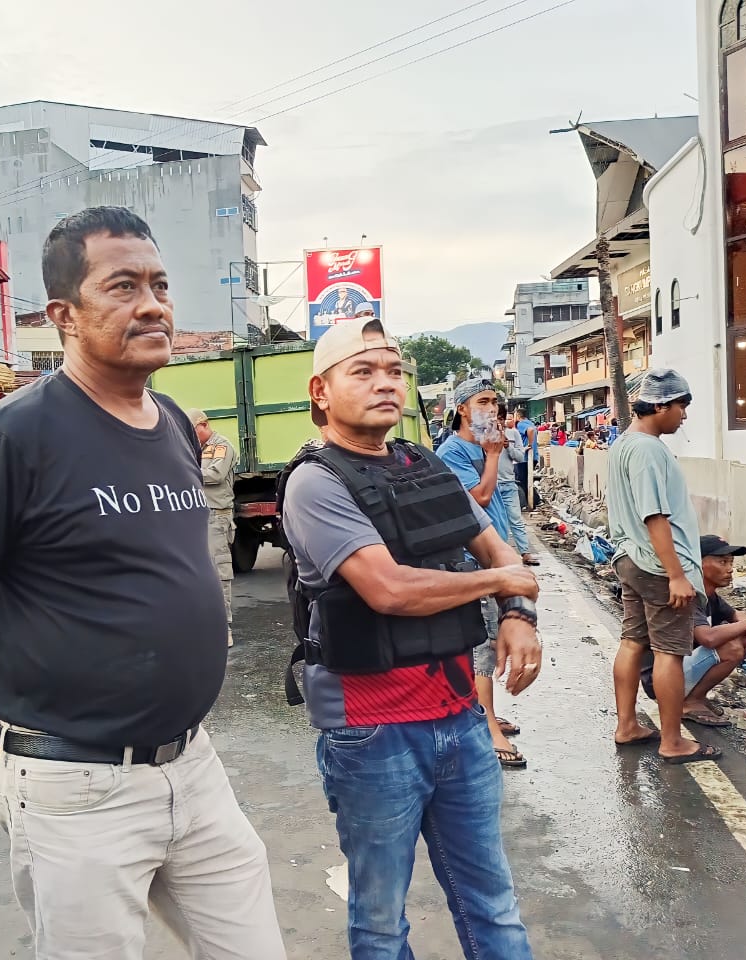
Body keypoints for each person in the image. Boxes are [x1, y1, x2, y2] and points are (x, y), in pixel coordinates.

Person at [0, 206, 285, 960]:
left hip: (193, 768)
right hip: (80, 792)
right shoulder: (9, 439)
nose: (153, 304)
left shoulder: (167, 420)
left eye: (161, 284)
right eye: (123, 286)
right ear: (64, 315)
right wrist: (37, 681)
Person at [280, 317, 540, 959]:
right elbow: (388, 589)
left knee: (493, 905)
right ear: (321, 391)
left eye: (394, 371)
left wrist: (515, 612)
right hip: (373, 734)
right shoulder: (316, 482)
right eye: (362, 372)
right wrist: (502, 582)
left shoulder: (421, 463)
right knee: (379, 919)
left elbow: (491, 542)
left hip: (460, 719)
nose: (384, 384)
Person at [606, 368, 721, 765]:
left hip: (630, 558)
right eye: (680, 407)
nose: (683, 416)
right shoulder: (648, 450)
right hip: (657, 565)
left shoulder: (623, 444)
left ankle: (627, 725)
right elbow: (654, 515)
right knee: (669, 652)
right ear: (659, 405)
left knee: (633, 641)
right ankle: (672, 741)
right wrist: (676, 574)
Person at [434, 380, 525, 768]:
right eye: (482, 401)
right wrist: (491, 457)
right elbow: (479, 500)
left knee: (492, 639)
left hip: (495, 559)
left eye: (494, 401)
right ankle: (487, 726)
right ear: (462, 410)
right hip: (471, 565)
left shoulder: (489, 444)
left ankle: (483, 711)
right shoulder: (452, 451)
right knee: (483, 645)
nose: (492, 408)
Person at [639, 535, 746, 725]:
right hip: (661, 680)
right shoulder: (689, 595)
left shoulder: (710, 596)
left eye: (730, 562)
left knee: (742, 638)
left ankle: (696, 696)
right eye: (722, 562)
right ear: (698, 564)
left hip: (681, 669)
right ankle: (688, 703)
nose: (730, 569)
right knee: (731, 646)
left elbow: (737, 616)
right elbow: (708, 638)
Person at [187, 408, 238, 647]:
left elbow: (215, 475)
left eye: (193, 429)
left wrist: (184, 470)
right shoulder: (192, 448)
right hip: (194, 516)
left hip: (215, 516)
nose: (190, 434)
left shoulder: (221, 446)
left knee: (219, 573)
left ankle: (224, 627)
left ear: (203, 425)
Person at [497, 402, 537, 566]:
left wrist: (508, 447)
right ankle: (500, 555)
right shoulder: (480, 435)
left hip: (508, 483)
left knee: (515, 519)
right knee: (496, 522)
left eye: (501, 418)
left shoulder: (513, 434)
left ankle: (525, 552)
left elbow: (520, 457)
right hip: (489, 486)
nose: (498, 422)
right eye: (495, 418)